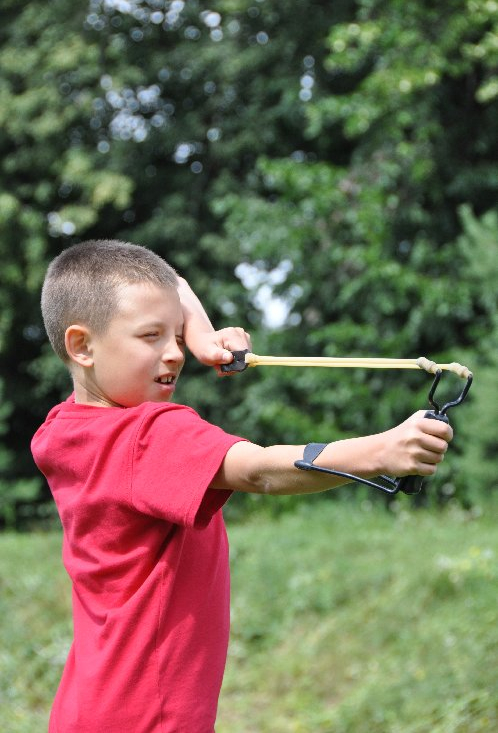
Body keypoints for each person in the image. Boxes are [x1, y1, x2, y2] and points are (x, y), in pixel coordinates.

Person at [31, 239, 453, 733]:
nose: (175, 352)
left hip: (90, 707)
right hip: (151, 718)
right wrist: (380, 452)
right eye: (151, 336)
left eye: (175, 334)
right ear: (82, 346)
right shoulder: (149, 435)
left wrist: (203, 337)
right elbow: (258, 470)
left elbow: (174, 285)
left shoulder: (62, 429)